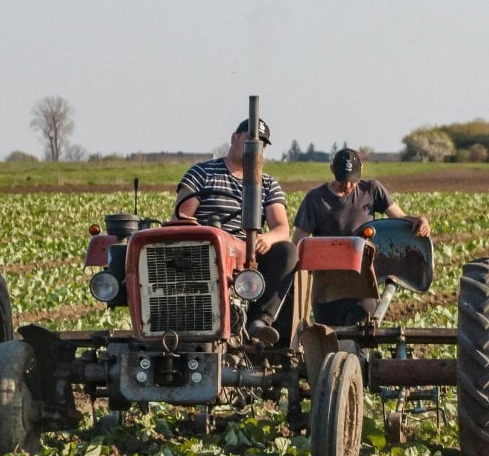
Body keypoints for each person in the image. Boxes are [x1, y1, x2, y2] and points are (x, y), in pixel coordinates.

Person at [175, 117, 297, 343]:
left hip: (247, 255)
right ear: (235, 137)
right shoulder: (202, 173)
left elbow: (281, 228)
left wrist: (267, 238)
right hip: (205, 250)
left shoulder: (267, 184)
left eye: (261, 145)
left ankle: (260, 320)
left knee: (287, 251)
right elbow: (181, 218)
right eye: (250, 141)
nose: (255, 148)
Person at [293, 148, 429, 325]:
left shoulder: (371, 189)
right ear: (332, 170)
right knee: (330, 338)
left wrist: (419, 220)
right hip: (327, 287)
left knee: (362, 335)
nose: (348, 186)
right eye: (343, 180)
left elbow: (400, 219)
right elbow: (299, 243)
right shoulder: (315, 199)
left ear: (361, 170)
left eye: (352, 181)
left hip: (362, 284)